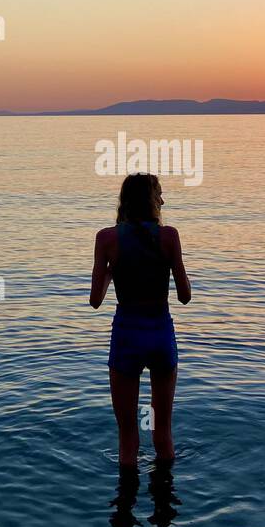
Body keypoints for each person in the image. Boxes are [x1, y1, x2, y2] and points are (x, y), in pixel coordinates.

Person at [89, 173, 191, 467]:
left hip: (127, 336)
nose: (163, 199)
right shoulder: (169, 236)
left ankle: (123, 507)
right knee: (163, 435)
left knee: (127, 439)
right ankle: (166, 506)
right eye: (159, 193)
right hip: (160, 333)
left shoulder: (106, 238)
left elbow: (95, 301)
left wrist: (111, 272)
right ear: (151, 200)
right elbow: (184, 296)